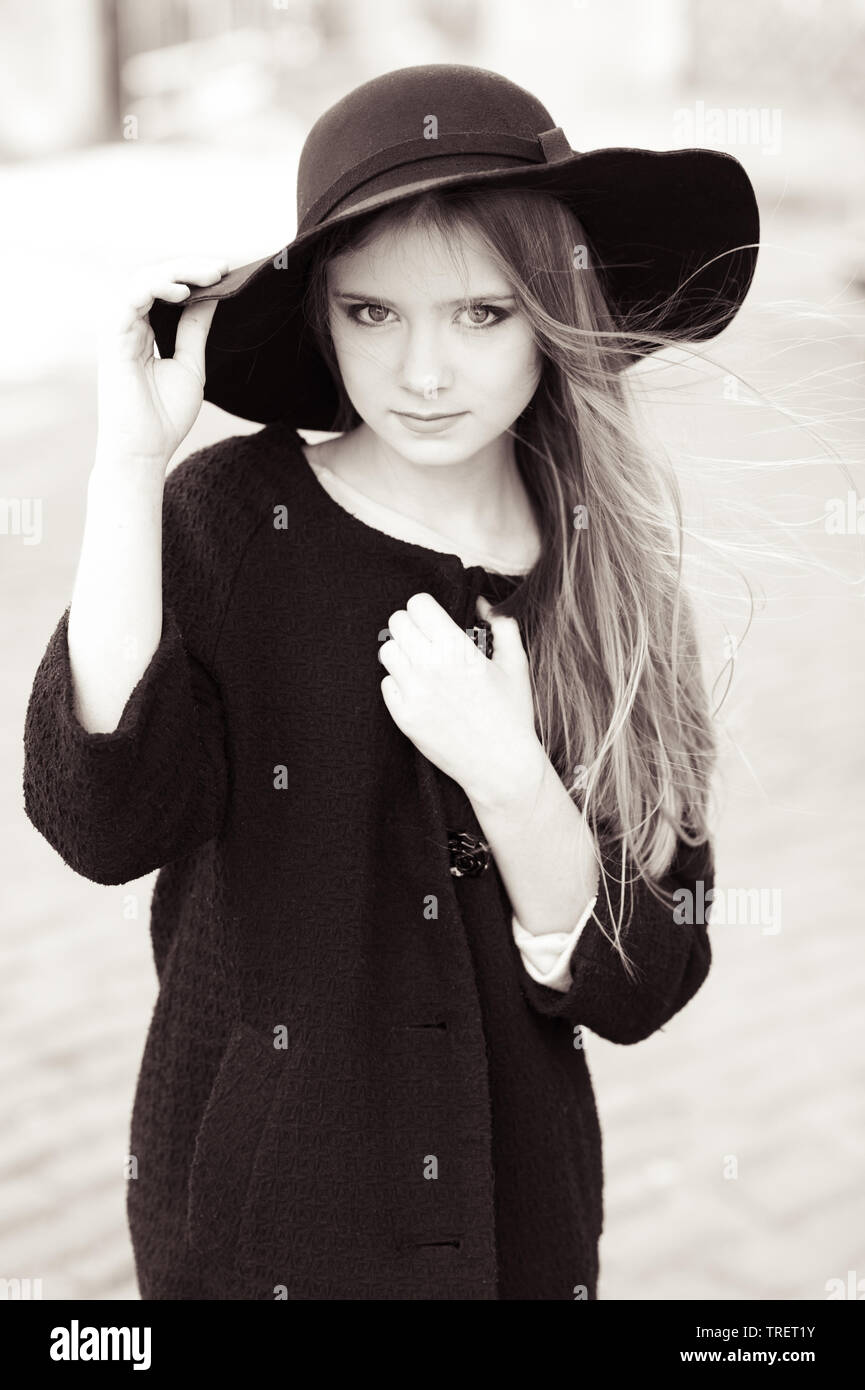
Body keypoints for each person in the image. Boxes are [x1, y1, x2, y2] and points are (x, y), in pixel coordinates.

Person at [22, 63, 759, 1300]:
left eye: (481, 314)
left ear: (554, 313)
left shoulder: (613, 576)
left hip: (516, 1232)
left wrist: (515, 783)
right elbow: (100, 823)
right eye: (374, 314)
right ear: (318, 318)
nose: (424, 372)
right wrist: (129, 465)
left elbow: (650, 973)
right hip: (260, 1241)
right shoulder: (228, 522)